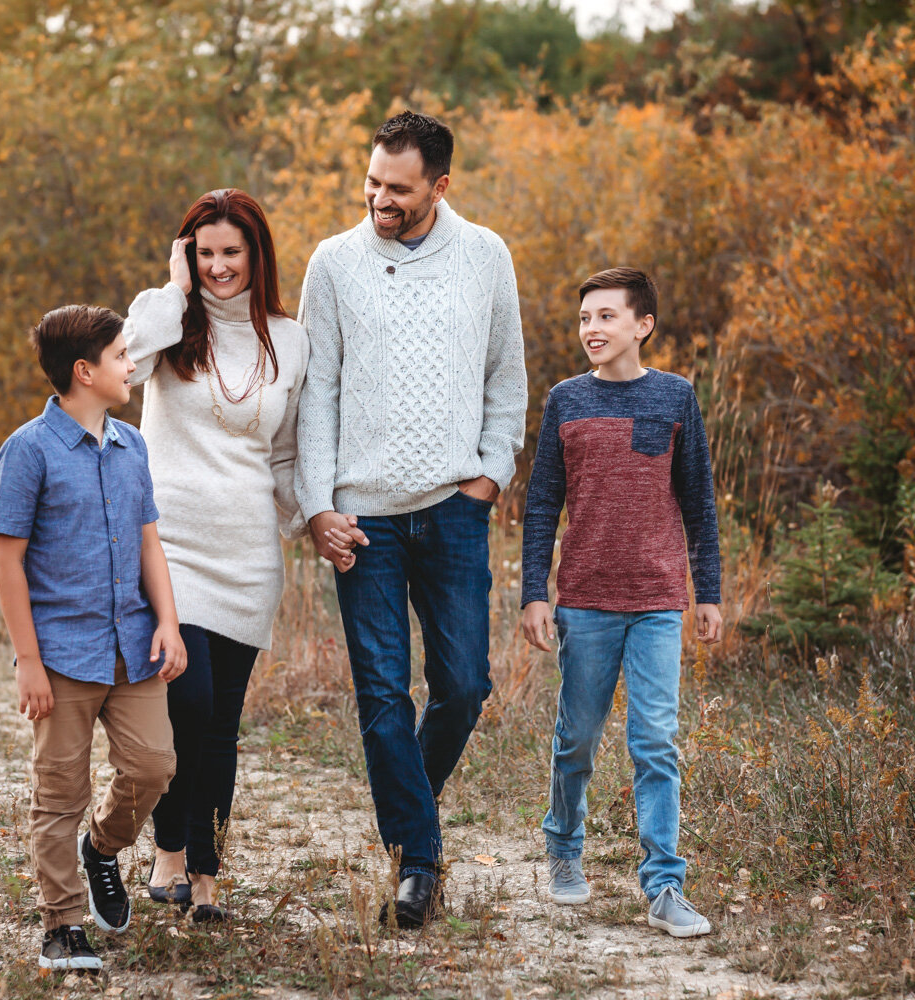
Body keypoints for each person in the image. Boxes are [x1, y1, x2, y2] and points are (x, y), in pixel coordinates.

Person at [296, 111, 528, 928]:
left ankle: (406, 811)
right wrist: (317, 506)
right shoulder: (332, 263)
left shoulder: (486, 256)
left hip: (454, 509)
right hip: (363, 518)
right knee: (384, 694)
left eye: (397, 188)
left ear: (440, 185)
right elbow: (315, 392)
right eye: (371, 182)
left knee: (464, 687)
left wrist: (491, 477)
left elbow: (508, 380)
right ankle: (418, 860)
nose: (378, 199)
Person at [122, 189, 311, 923]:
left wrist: (315, 520)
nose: (219, 266)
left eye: (232, 252)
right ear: (187, 256)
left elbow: (288, 452)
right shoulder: (168, 320)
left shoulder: (289, 340)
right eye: (205, 253)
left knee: (221, 721)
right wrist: (173, 288)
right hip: (169, 543)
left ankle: (205, 875)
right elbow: (124, 369)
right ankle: (170, 848)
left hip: (247, 554)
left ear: (256, 255)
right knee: (185, 701)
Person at [519, 267, 723, 938]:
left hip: (660, 602)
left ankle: (665, 885)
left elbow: (698, 501)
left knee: (655, 743)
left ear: (643, 325)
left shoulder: (675, 398)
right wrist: (534, 594)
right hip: (585, 602)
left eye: (606, 317)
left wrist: (708, 594)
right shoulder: (566, 402)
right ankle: (564, 848)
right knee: (576, 740)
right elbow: (543, 501)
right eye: (584, 319)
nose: (592, 330)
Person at [0, 304, 187, 972]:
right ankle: (63, 926)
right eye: (120, 357)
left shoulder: (132, 447)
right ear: (85, 371)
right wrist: (28, 662)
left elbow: (147, 540)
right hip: (63, 655)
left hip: (133, 648)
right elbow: (7, 560)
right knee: (59, 793)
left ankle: (101, 849)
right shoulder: (29, 450)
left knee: (155, 764)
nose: (130, 366)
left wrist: (167, 620)